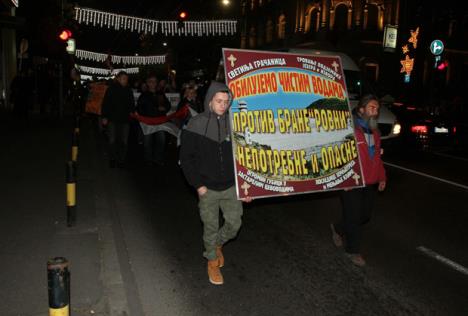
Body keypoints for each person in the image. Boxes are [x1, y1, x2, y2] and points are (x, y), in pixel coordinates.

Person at [180, 81, 252, 285]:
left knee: (234, 224)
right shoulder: (196, 124)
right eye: (219, 101)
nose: (223, 105)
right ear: (209, 101)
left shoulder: (234, 123)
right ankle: (212, 260)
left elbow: (245, 156)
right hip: (207, 188)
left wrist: (247, 185)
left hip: (230, 186)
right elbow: (186, 159)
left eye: (226, 101)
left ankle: (217, 245)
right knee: (210, 227)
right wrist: (198, 185)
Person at [330, 94, 386, 267]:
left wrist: (382, 177)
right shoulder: (349, 130)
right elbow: (339, 157)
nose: (375, 111)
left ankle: (338, 229)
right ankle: (352, 251)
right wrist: (343, 180)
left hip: (370, 181)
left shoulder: (376, 133)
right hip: (352, 181)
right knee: (354, 217)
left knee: (364, 215)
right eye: (371, 107)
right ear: (361, 110)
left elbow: (377, 157)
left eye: (377, 109)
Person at [101, 71, 135, 168]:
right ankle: (112, 158)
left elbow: (131, 103)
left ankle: (121, 160)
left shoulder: (128, 90)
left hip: (125, 120)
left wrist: (132, 111)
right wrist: (104, 117)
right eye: (124, 78)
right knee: (112, 140)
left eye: (127, 79)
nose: (125, 81)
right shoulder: (111, 89)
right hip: (112, 119)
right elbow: (106, 103)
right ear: (119, 79)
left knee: (124, 141)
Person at [137, 75, 170, 166]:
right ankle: (148, 159)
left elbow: (168, 104)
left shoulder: (160, 94)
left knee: (161, 140)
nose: (153, 83)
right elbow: (139, 109)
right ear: (147, 83)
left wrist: (165, 108)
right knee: (147, 141)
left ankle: (158, 158)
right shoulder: (144, 95)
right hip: (148, 122)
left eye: (155, 81)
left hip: (159, 121)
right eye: (151, 81)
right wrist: (150, 113)